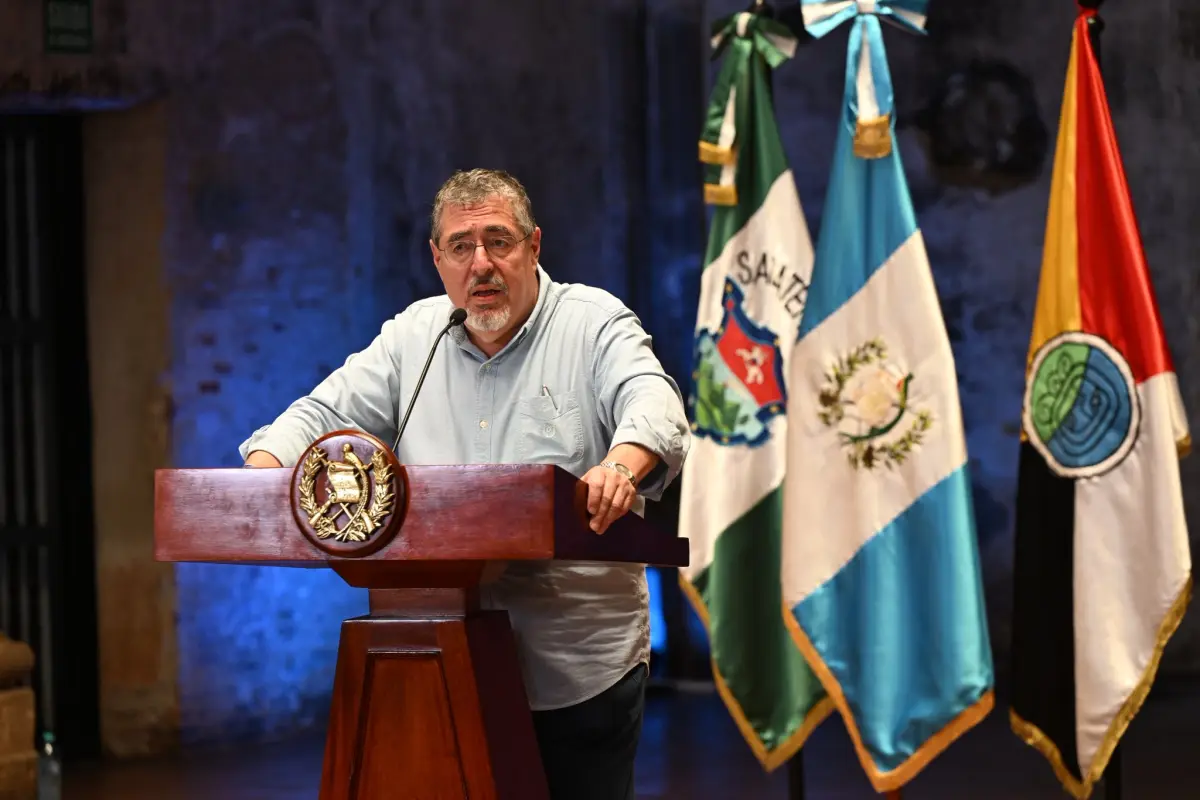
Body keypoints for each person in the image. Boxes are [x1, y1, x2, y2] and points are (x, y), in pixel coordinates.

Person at [239, 168, 690, 799]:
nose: (481, 263)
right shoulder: (412, 339)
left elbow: (653, 399)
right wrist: (257, 484)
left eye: (498, 241)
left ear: (534, 246)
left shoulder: (591, 322)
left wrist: (621, 463)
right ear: (437, 258)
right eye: (460, 246)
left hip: (576, 670)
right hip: (441, 664)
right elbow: (320, 415)